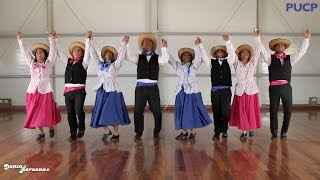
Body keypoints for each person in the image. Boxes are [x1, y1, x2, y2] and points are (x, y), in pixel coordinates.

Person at [258, 28, 311, 140]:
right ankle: (274, 132)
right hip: (274, 88)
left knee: (288, 110)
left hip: (287, 87)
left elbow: (302, 51)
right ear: (275, 48)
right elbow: (262, 50)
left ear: (284, 47)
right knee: (273, 110)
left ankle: (284, 132)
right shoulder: (269, 58)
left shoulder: (290, 59)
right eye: (278, 45)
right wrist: (257, 38)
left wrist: (306, 39)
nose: (281, 46)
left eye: (282, 45)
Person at [17, 31, 61, 141]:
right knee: (34, 111)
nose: (38, 54)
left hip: (45, 91)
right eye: (37, 53)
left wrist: (52, 39)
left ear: (45, 54)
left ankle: (50, 127)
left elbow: (53, 52)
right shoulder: (32, 63)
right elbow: (24, 53)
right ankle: (41, 133)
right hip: (33, 91)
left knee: (46, 112)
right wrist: (20, 40)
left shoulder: (48, 63)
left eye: (41, 52)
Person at [166, 37, 212, 140]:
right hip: (181, 91)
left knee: (192, 111)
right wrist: (166, 48)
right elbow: (170, 59)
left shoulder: (194, 66)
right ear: (181, 57)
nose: (186, 56)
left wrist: (197, 45)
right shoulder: (177, 66)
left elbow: (199, 58)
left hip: (192, 91)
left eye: (188, 55)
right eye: (184, 55)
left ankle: (193, 131)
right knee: (181, 110)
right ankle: (184, 131)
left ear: (191, 58)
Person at [89, 31, 131, 142]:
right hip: (102, 90)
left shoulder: (114, 65)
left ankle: (116, 134)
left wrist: (123, 44)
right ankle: (106, 131)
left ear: (112, 56)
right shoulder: (99, 65)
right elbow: (93, 55)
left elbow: (121, 57)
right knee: (99, 112)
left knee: (112, 112)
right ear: (103, 55)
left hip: (112, 91)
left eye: (110, 54)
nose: (108, 55)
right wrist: (90, 41)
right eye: (106, 53)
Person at [126, 33, 168, 141]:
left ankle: (156, 132)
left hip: (153, 88)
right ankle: (139, 133)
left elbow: (165, 60)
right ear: (143, 45)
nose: (147, 43)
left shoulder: (157, 58)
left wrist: (164, 48)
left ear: (153, 45)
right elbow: (128, 56)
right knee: (138, 111)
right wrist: (126, 44)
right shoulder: (138, 57)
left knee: (157, 111)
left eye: (149, 42)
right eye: (145, 42)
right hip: (140, 88)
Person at [227, 30, 262, 141]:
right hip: (240, 91)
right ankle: (244, 132)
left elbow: (257, 51)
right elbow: (231, 53)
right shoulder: (236, 63)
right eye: (243, 52)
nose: (245, 53)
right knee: (242, 111)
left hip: (251, 90)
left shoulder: (252, 63)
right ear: (240, 54)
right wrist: (228, 42)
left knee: (250, 110)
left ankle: (251, 127)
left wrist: (257, 38)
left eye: (247, 52)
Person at [56, 33, 90, 141]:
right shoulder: (68, 61)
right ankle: (73, 133)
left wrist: (87, 40)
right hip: (68, 92)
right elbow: (59, 53)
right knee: (70, 113)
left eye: (79, 50)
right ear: (72, 52)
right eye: (75, 50)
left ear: (82, 53)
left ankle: (81, 127)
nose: (76, 51)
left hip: (79, 91)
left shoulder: (84, 63)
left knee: (78, 110)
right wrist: (54, 39)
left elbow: (88, 52)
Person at [200, 37, 232, 140]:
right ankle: (217, 131)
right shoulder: (211, 63)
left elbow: (232, 53)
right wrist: (200, 46)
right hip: (215, 91)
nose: (220, 52)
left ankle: (225, 130)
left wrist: (227, 42)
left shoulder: (229, 62)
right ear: (215, 54)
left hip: (226, 90)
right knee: (217, 112)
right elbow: (204, 57)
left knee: (226, 112)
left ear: (224, 53)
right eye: (218, 51)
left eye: (222, 51)